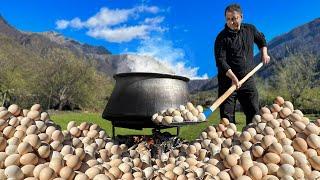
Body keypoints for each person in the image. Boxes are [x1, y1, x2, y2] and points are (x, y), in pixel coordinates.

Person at [214, 4, 270, 125]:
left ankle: (252, 140)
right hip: (228, 82)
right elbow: (220, 61)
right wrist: (233, 78)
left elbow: (261, 40)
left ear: (241, 17)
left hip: (247, 79)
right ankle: (228, 142)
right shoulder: (221, 38)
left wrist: (264, 53)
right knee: (227, 121)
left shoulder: (250, 29)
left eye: (234, 18)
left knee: (254, 114)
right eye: (228, 19)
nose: (231, 22)